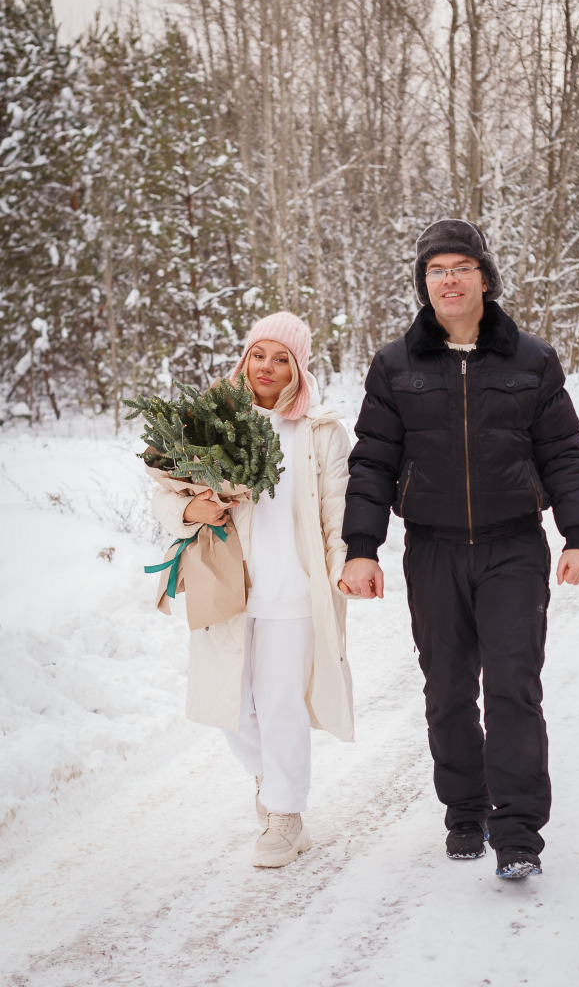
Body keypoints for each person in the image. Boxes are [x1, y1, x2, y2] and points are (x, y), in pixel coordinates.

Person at [339, 219, 579, 880]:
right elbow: (371, 463)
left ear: (485, 276)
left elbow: (563, 451)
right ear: (423, 285)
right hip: (433, 550)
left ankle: (517, 836)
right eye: (435, 270)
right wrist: (361, 547)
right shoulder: (396, 367)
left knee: (513, 687)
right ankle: (465, 813)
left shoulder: (530, 361)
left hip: (514, 545)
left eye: (460, 267)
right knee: (448, 690)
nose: (448, 279)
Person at [152, 311, 353, 868]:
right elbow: (164, 495)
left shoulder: (319, 432)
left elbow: (337, 510)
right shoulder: (213, 422)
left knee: (281, 703)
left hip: (294, 590)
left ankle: (286, 816)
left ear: (299, 367)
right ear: (245, 359)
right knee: (234, 707)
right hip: (227, 587)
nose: (268, 367)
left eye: (282, 357)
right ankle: (271, 782)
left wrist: (344, 566)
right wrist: (190, 507)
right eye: (259, 354)